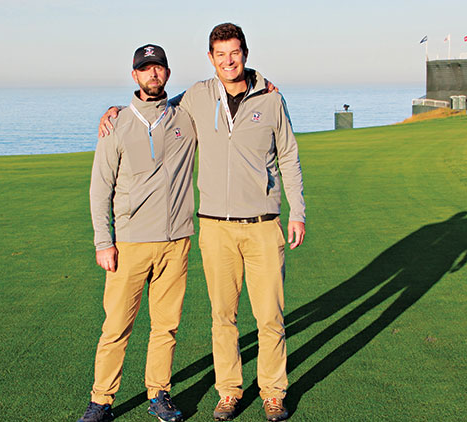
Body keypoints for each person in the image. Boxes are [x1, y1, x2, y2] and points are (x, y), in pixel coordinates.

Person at [100, 22, 305, 422]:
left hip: (264, 224)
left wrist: (297, 212)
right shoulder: (197, 95)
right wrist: (118, 111)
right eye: (220, 55)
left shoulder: (272, 100)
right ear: (211, 59)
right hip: (214, 226)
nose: (229, 62)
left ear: (245, 54)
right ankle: (229, 391)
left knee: (270, 317)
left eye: (235, 53)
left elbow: (290, 158)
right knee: (222, 317)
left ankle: (273, 393)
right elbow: (158, 106)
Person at [78, 44, 196, 422]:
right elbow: (100, 188)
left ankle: (159, 394)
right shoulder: (116, 124)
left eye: (158, 68)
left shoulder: (184, 116)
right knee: (116, 327)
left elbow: (222, 86)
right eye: (145, 69)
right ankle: (102, 401)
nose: (153, 74)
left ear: (167, 72)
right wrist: (103, 241)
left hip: (175, 241)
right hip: (128, 244)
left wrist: (262, 81)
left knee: (166, 326)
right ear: (135, 76)